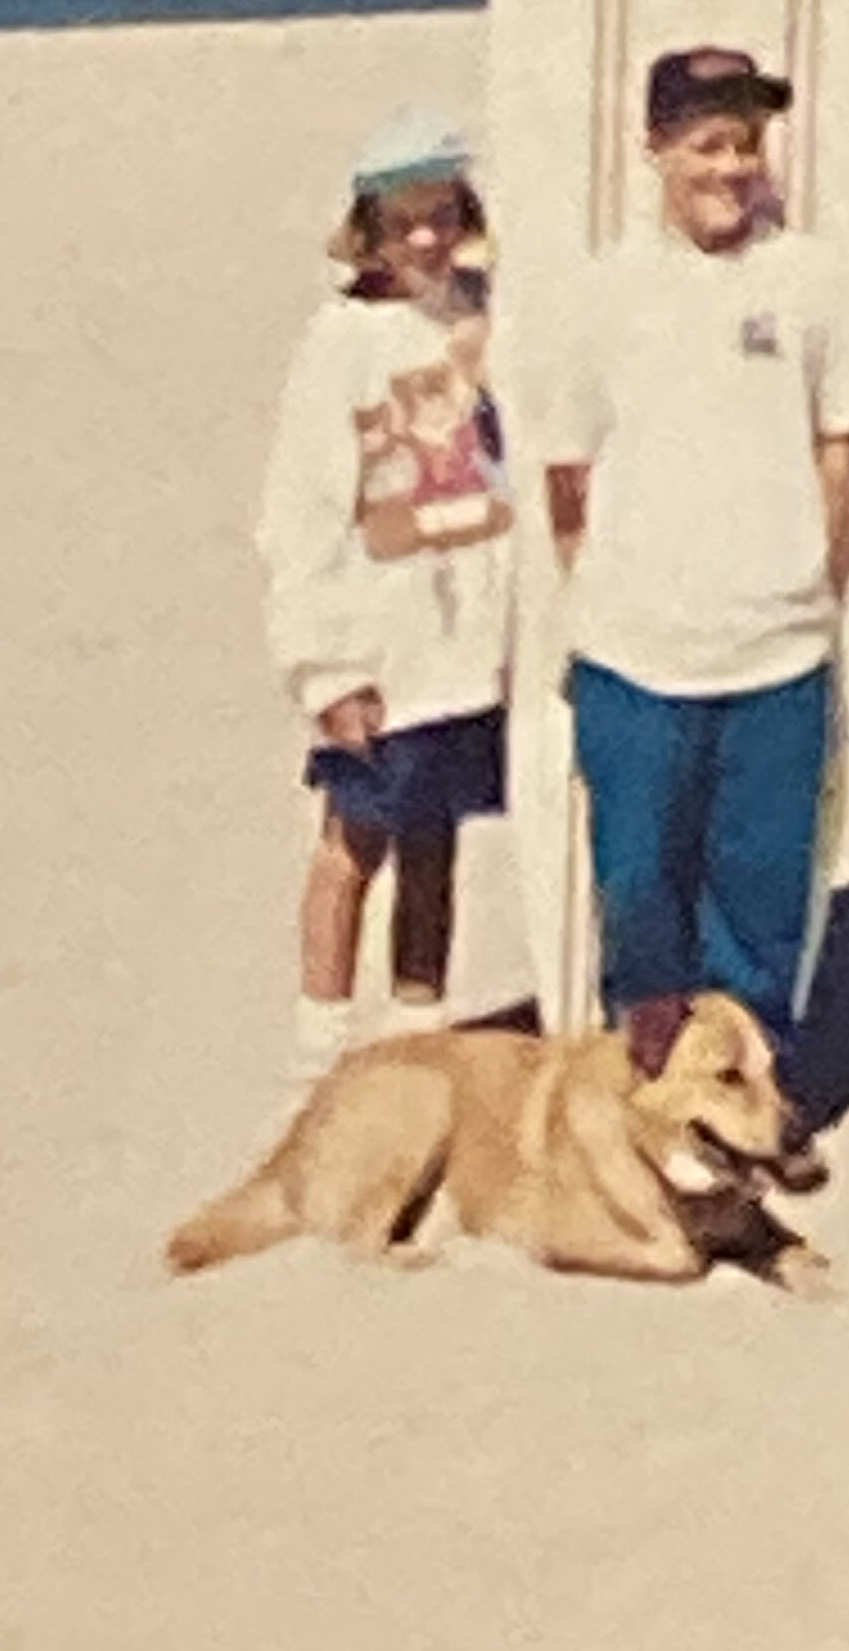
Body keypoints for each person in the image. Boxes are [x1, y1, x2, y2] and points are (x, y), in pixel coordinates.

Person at [542, 46, 849, 1068]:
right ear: (656, 150)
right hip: (635, 650)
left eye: (746, 144)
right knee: (639, 880)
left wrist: (808, 583)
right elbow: (569, 472)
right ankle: (648, 1094)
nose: (730, 167)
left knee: (760, 890)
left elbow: (843, 447)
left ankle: (744, 1092)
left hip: (776, 649)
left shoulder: (813, 280)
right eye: (706, 144)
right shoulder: (599, 291)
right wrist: (612, 591)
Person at [255, 108, 512, 1098]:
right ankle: (321, 1027)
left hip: (468, 636)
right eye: (403, 220)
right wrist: (326, 666)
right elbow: (301, 507)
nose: (425, 238)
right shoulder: (341, 340)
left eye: (441, 215)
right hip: (379, 632)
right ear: (367, 229)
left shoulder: (478, 315)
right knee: (351, 837)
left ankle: (417, 1012)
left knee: (435, 834)